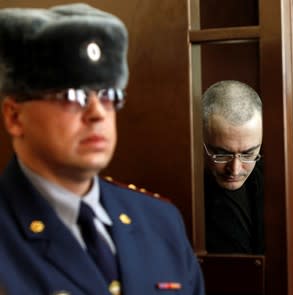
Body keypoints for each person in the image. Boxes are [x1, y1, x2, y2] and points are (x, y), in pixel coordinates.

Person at [0, 4, 204, 295]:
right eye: (73, 95)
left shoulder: (160, 223)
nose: (97, 113)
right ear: (15, 117)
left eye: (108, 95)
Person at [202, 80, 264, 254]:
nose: (235, 169)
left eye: (248, 154)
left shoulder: (283, 186)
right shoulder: (182, 192)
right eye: (222, 154)